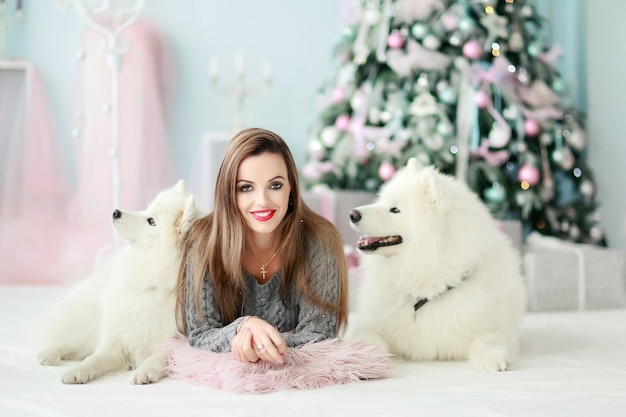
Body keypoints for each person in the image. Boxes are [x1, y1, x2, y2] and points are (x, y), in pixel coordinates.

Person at [176, 127, 348, 364]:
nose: (262, 201)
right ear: (229, 194)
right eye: (246, 188)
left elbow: (320, 335)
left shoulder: (319, 240)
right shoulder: (203, 241)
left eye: (275, 185)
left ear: (291, 189)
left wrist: (258, 342)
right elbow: (199, 334)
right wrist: (245, 327)